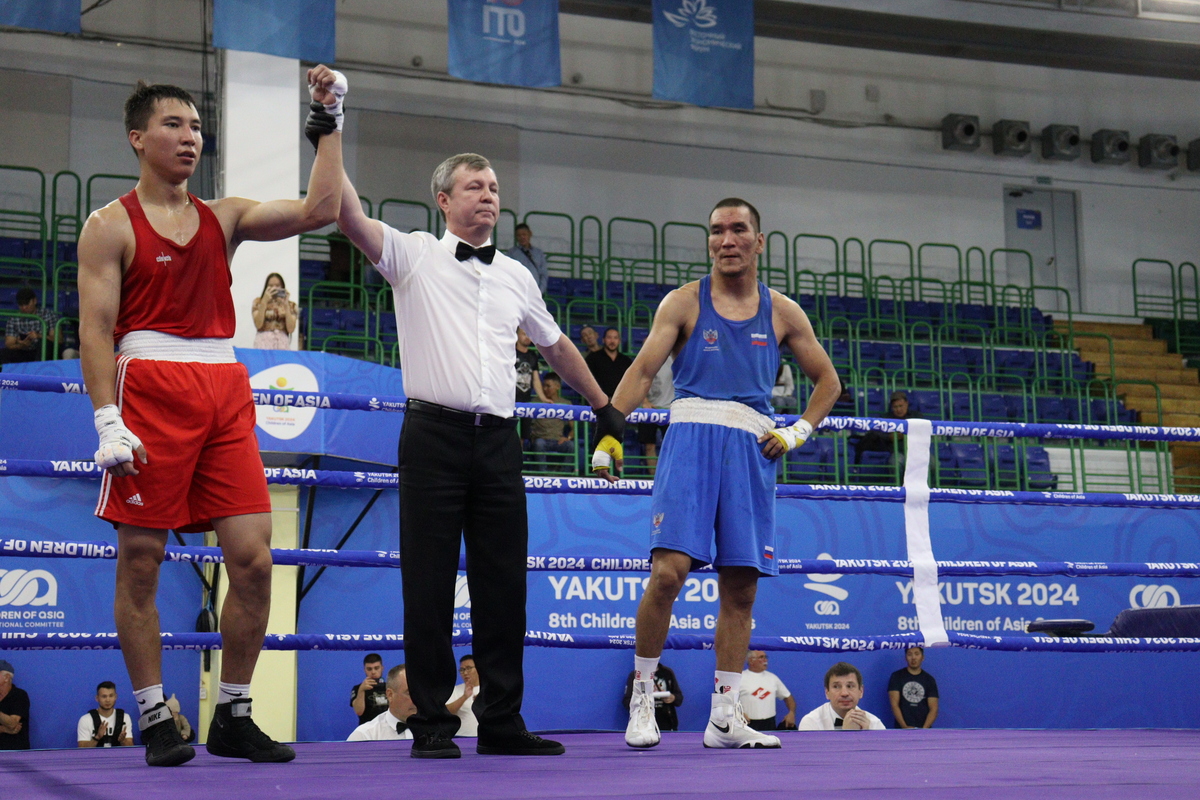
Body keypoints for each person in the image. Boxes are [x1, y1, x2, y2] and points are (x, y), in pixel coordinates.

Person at [76, 67, 347, 767]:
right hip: (149, 386)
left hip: (223, 383)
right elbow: (96, 330)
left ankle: (232, 711)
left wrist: (330, 117)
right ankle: (154, 715)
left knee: (254, 560)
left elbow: (320, 209)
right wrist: (108, 418)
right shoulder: (109, 226)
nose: (190, 136)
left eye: (197, 126)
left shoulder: (223, 216)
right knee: (141, 560)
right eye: (173, 124)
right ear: (137, 138)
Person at [334, 152, 621, 759]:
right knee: (429, 585)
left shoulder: (517, 275)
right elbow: (348, 215)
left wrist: (603, 405)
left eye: (493, 187)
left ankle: (500, 720)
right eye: (474, 186)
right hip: (431, 436)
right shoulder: (413, 254)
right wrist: (330, 125)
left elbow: (557, 345)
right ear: (444, 199)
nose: (489, 195)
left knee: (504, 587)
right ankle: (432, 723)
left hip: (498, 440)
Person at [596, 198, 840, 750]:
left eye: (737, 230)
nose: (725, 240)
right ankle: (643, 697)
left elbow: (828, 382)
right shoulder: (683, 302)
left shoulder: (783, 312)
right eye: (716, 231)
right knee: (668, 574)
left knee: (741, 587)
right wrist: (611, 432)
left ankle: (726, 716)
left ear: (758, 241)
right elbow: (641, 370)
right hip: (691, 441)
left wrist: (797, 431)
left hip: (753, 449)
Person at [797, 662, 886, 731]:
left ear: (861, 691)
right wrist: (847, 734)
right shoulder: (811, 722)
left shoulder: (874, 724)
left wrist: (868, 736)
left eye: (850, 686)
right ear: (827, 692)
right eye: (836, 686)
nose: (844, 693)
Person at [347, 664, 416, 742]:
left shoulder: (432, 728)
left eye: (421, 693)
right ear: (390, 695)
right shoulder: (365, 736)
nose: (418, 699)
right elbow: (359, 711)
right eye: (410, 693)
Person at [3, 287, 71, 362]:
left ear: (34, 301)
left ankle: (40, 370)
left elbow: (59, 339)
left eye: (26, 303)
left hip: (44, 352)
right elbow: (9, 343)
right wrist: (20, 345)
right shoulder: (13, 319)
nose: (24, 307)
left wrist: (39, 336)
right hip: (24, 351)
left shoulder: (49, 315)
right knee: (4, 353)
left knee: (44, 344)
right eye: (21, 305)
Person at [740, 651, 796, 731]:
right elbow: (728, 699)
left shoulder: (772, 678)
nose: (765, 660)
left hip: (769, 724)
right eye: (761, 657)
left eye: (765, 657)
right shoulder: (740, 677)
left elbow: (788, 697)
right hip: (747, 724)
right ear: (751, 660)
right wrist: (737, 714)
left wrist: (791, 713)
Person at [529, 372, 574, 471]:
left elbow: (573, 428)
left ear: (558, 386)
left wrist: (568, 437)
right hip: (541, 439)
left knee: (571, 446)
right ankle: (543, 475)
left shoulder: (566, 404)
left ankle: (563, 475)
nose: (545, 389)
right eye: (544, 386)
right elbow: (526, 424)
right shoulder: (535, 402)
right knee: (538, 444)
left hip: (558, 441)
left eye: (548, 386)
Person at [622, 661, 683, 732]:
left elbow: (679, 698)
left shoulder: (667, 673)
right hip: (643, 724)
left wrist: (673, 698)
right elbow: (626, 702)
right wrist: (642, 702)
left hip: (667, 722)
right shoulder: (635, 675)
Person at [637, 355, 674, 475]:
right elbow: (637, 381)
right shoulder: (646, 358)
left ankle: (669, 478)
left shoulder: (677, 357)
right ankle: (653, 479)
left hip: (670, 409)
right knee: (649, 446)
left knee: (671, 447)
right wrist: (644, 401)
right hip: (650, 409)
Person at [888, 645, 939, 729]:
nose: (913, 657)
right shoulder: (896, 676)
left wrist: (924, 729)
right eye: (909, 654)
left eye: (916, 654)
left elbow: (933, 709)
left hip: (924, 730)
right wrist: (904, 727)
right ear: (905, 657)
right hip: (901, 729)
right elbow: (894, 705)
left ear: (922, 657)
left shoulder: (929, 680)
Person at [78, 681, 134, 747]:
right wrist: (97, 737)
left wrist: (123, 740)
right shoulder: (86, 719)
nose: (108, 700)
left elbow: (131, 748)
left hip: (118, 756)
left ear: (115, 697)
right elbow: (82, 749)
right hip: (95, 756)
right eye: (104, 696)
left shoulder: (124, 717)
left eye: (111, 696)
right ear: (97, 698)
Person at [250, 272, 297, 349]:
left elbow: (291, 329)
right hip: (263, 341)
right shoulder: (258, 302)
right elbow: (258, 324)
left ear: (282, 287)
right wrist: (264, 302)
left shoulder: (291, 305)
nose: (274, 288)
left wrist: (286, 305)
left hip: (282, 342)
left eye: (277, 285)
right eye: (270, 286)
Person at [585, 327, 633, 402]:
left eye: (615, 338)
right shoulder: (592, 358)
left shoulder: (626, 360)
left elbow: (631, 382)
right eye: (609, 338)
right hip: (598, 402)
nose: (612, 341)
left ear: (619, 341)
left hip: (622, 401)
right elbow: (587, 381)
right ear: (603, 340)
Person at [506, 223, 548, 294]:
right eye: (519, 235)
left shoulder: (539, 253)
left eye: (524, 234)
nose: (522, 237)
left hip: (535, 291)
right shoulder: (512, 253)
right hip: (518, 291)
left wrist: (540, 292)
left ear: (530, 234)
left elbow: (543, 274)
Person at [445, 654, 479, 737]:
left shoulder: (487, 689)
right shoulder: (454, 690)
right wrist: (464, 697)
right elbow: (447, 713)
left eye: (469, 668)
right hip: (461, 737)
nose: (465, 673)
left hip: (484, 737)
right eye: (462, 670)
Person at [351, 653, 389, 726]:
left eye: (376, 668)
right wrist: (361, 690)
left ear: (382, 668)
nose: (373, 672)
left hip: (388, 728)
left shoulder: (390, 687)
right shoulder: (358, 689)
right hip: (367, 730)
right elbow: (359, 711)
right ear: (365, 670)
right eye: (369, 669)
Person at [0, 660, 29, 750]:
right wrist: (3, 729)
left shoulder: (19, 695)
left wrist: (8, 726)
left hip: (16, 753)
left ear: (6, 677)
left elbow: (13, 724)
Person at [515, 328, 548, 406]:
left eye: (529, 334)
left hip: (526, 400)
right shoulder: (511, 352)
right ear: (517, 335)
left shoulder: (533, 355)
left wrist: (543, 398)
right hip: (510, 399)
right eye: (524, 334)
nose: (527, 337)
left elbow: (536, 379)